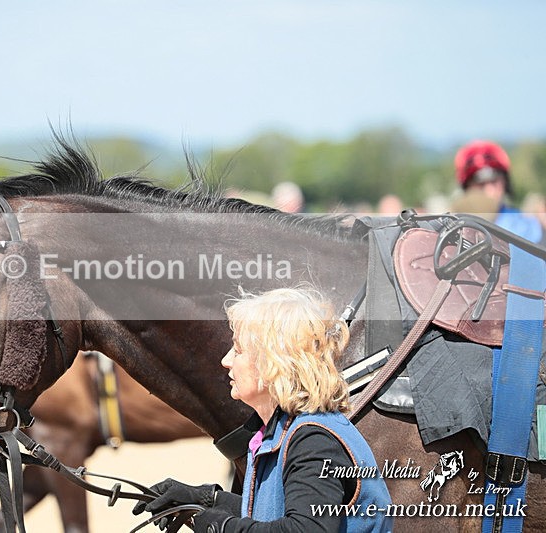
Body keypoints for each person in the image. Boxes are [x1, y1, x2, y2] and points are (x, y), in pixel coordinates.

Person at [133, 287, 392, 532]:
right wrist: (203, 499)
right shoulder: (285, 429)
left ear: (273, 363)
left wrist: (221, 527)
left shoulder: (313, 441)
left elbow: (307, 529)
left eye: (238, 350)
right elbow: (274, 513)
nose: (226, 361)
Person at [453, 140, 544, 243]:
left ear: (505, 182)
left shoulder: (529, 225)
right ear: (467, 188)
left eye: (494, 182)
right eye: (481, 184)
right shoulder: (454, 228)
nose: (489, 190)